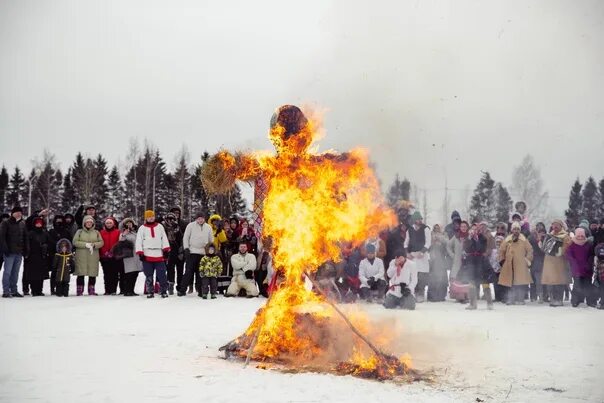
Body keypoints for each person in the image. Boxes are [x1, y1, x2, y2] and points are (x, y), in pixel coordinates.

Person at [136, 210, 170, 298]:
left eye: (152, 216)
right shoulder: (142, 228)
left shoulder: (160, 227)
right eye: (149, 217)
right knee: (149, 275)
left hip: (159, 254)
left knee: (162, 274)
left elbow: (164, 238)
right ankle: (150, 291)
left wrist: (166, 250)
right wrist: (140, 253)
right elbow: (139, 241)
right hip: (147, 254)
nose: (151, 218)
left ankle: (163, 291)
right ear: (146, 218)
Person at [498, 222, 533, 305]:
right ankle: (510, 298)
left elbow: (530, 250)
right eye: (514, 229)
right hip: (509, 264)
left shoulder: (523, 240)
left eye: (517, 229)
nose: (516, 231)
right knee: (510, 282)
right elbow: (501, 250)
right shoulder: (507, 239)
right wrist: (502, 260)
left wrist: (527, 260)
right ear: (512, 230)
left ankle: (520, 299)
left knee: (520, 283)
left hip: (520, 265)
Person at [180, 211, 213, 296]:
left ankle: (200, 290)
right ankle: (182, 289)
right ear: (196, 219)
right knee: (188, 272)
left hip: (203, 253)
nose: (200, 220)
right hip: (192, 252)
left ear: (204, 218)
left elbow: (211, 240)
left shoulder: (208, 227)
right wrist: (186, 248)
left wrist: (210, 250)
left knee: (200, 273)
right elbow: (186, 237)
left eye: (202, 218)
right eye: (198, 219)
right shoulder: (190, 226)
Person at [458, 223, 489, 310]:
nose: (474, 231)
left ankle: (489, 302)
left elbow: (482, 249)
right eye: (473, 229)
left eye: (476, 229)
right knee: (471, 282)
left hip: (481, 261)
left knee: (484, 281)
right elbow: (466, 249)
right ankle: (472, 303)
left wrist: (477, 240)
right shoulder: (468, 238)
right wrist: (470, 240)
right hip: (471, 261)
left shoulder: (483, 238)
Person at [541, 219, 572, 307]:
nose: (555, 227)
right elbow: (545, 247)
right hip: (549, 262)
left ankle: (559, 299)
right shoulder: (549, 235)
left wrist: (561, 251)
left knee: (559, 281)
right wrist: (541, 243)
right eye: (554, 225)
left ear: (561, 226)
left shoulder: (565, 236)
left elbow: (568, 246)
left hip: (560, 262)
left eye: (557, 225)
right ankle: (553, 299)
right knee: (551, 282)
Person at [1, 206, 29, 297]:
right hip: (9, 252)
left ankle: (14, 290)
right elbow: (2, 237)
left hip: (19, 252)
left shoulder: (23, 223)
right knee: (7, 272)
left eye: (20, 212)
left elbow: (25, 237)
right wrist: (5, 249)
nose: (18, 214)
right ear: (12, 213)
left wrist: (26, 249)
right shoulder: (5, 223)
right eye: (16, 212)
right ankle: (6, 291)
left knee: (15, 273)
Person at [73, 215, 104, 296]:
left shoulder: (96, 232)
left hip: (93, 256)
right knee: (80, 273)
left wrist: (94, 245)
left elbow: (101, 242)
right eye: (87, 222)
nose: (89, 223)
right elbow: (75, 242)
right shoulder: (79, 232)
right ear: (84, 223)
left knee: (92, 273)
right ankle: (79, 290)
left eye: (90, 222)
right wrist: (85, 244)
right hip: (81, 256)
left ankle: (91, 290)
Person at [566, 228, 596, 307]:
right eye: (578, 235)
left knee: (588, 285)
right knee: (577, 285)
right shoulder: (572, 244)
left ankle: (590, 301)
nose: (580, 237)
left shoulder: (588, 244)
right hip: (576, 269)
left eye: (582, 235)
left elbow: (591, 255)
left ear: (584, 235)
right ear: (576, 235)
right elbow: (569, 255)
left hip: (587, 269)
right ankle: (576, 300)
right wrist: (574, 264)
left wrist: (589, 263)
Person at [404, 211, 431, 302]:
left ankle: (420, 293)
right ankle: (413, 292)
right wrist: (407, 253)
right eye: (417, 219)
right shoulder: (409, 230)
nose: (419, 221)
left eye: (420, 219)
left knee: (422, 275)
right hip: (412, 256)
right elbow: (406, 243)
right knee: (413, 274)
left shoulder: (426, 229)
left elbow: (428, 243)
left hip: (422, 255)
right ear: (414, 220)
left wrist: (422, 252)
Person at [23, 217, 50, 296]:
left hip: (42, 256)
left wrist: (45, 246)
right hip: (32, 256)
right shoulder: (30, 233)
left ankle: (39, 290)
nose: (38, 224)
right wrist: (27, 254)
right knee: (33, 275)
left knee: (41, 275)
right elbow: (26, 244)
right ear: (34, 224)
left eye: (40, 223)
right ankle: (34, 290)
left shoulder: (45, 233)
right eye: (37, 223)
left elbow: (49, 242)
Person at [47, 215, 71, 295]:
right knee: (54, 272)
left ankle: (62, 289)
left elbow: (69, 242)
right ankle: (52, 288)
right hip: (54, 254)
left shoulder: (66, 231)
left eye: (61, 220)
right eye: (57, 220)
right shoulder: (52, 231)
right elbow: (49, 241)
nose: (59, 222)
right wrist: (57, 246)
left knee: (64, 272)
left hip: (64, 255)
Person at [447, 220, 469, 302]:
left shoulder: (469, 236)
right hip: (457, 261)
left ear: (467, 228)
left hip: (467, 261)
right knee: (456, 277)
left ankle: (465, 295)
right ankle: (458, 295)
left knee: (466, 277)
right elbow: (448, 246)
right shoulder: (456, 236)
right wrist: (453, 255)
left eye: (465, 226)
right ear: (460, 227)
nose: (463, 228)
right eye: (462, 226)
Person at [99, 217, 122, 295]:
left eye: (110, 223)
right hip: (104, 256)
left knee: (114, 274)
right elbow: (100, 243)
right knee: (106, 274)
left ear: (113, 224)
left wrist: (113, 252)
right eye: (107, 223)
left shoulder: (118, 232)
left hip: (114, 256)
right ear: (105, 224)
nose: (109, 224)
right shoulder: (101, 232)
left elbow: (119, 243)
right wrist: (104, 252)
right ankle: (107, 290)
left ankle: (113, 290)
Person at [118, 218, 141, 296]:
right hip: (128, 256)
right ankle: (127, 290)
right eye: (127, 223)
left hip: (136, 255)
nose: (129, 224)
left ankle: (132, 290)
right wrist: (125, 234)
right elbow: (120, 241)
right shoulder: (123, 233)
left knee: (135, 273)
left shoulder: (136, 233)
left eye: (130, 223)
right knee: (129, 274)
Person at [163, 212, 184, 295]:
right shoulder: (164, 228)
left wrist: (182, 251)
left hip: (178, 251)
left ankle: (180, 287)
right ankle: (170, 285)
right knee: (170, 270)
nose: (171, 221)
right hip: (169, 251)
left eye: (172, 219)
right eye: (169, 219)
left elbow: (182, 239)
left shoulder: (178, 227)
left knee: (180, 270)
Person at [427, 224, 448, 301]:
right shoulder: (431, 235)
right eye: (435, 228)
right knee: (432, 277)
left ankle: (441, 295)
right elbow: (427, 246)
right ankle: (432, 296)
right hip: (433, 259)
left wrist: (440, 239)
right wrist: (432, 242)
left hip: (441, 259)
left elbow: (447, 244)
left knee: (442, 278)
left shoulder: (444, 235)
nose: (436, 229)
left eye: (438, 228)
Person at [528, 222, 547, 303]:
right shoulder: (531, 237)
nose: (540, 230)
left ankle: (542, 296)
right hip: (533, 260)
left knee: (540, 279)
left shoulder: (545, 238)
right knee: (533, 279)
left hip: (542, 261)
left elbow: (544, 250)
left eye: (541, 228)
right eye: (538, 227)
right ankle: (533, 296)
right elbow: (528, 245)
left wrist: (541, 239)